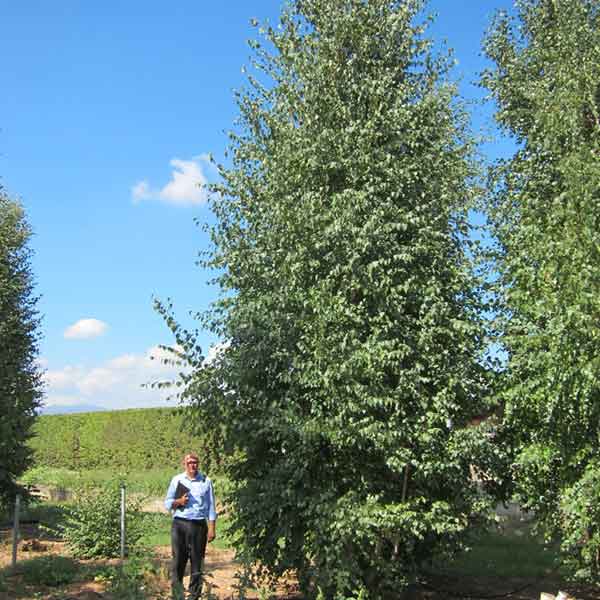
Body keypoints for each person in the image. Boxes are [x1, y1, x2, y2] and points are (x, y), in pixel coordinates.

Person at [164, 452, 217, 600]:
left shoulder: (206, 481)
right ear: (184, 464)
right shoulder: (177, 480)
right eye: (189, 463)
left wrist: (212, 528)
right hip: (179, 524)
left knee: (197, 562)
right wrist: (178, 502)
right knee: (178, 561)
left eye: (195, 462)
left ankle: (194, 596)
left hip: (199, 525)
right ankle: (177, 595)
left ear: (198, 464)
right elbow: (167, 503)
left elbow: (211, 506)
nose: (192, 465)